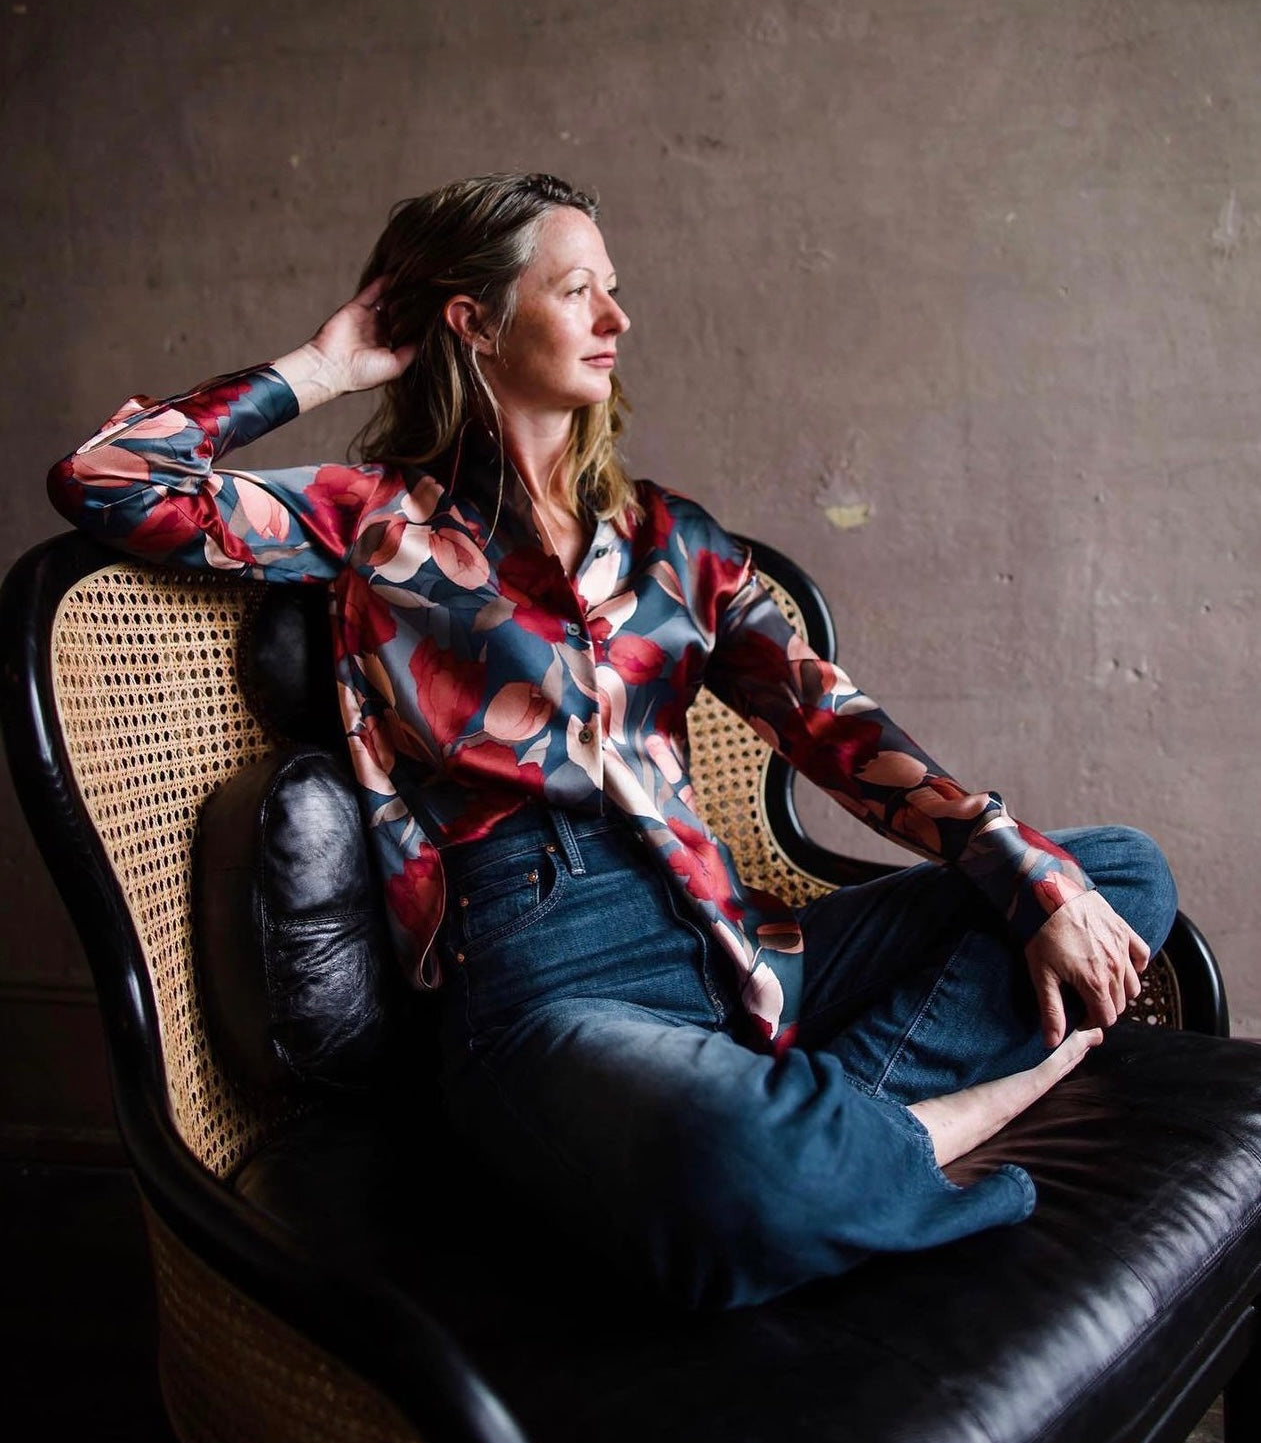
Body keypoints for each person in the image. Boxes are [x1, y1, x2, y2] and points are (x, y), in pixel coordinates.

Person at [48, 172, 1177, 1308]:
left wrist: (1031, 878)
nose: (616, 320)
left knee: (1117, 875)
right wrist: (328, 365)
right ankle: (934, 1122)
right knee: (737, 1170)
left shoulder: (671, 542)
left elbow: (833, 725)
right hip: (549, 980)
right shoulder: (374, 520)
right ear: (474, 322)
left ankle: (834, 1133)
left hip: (745, 948)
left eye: (613, 291)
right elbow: (107, 480)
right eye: (579, 290)